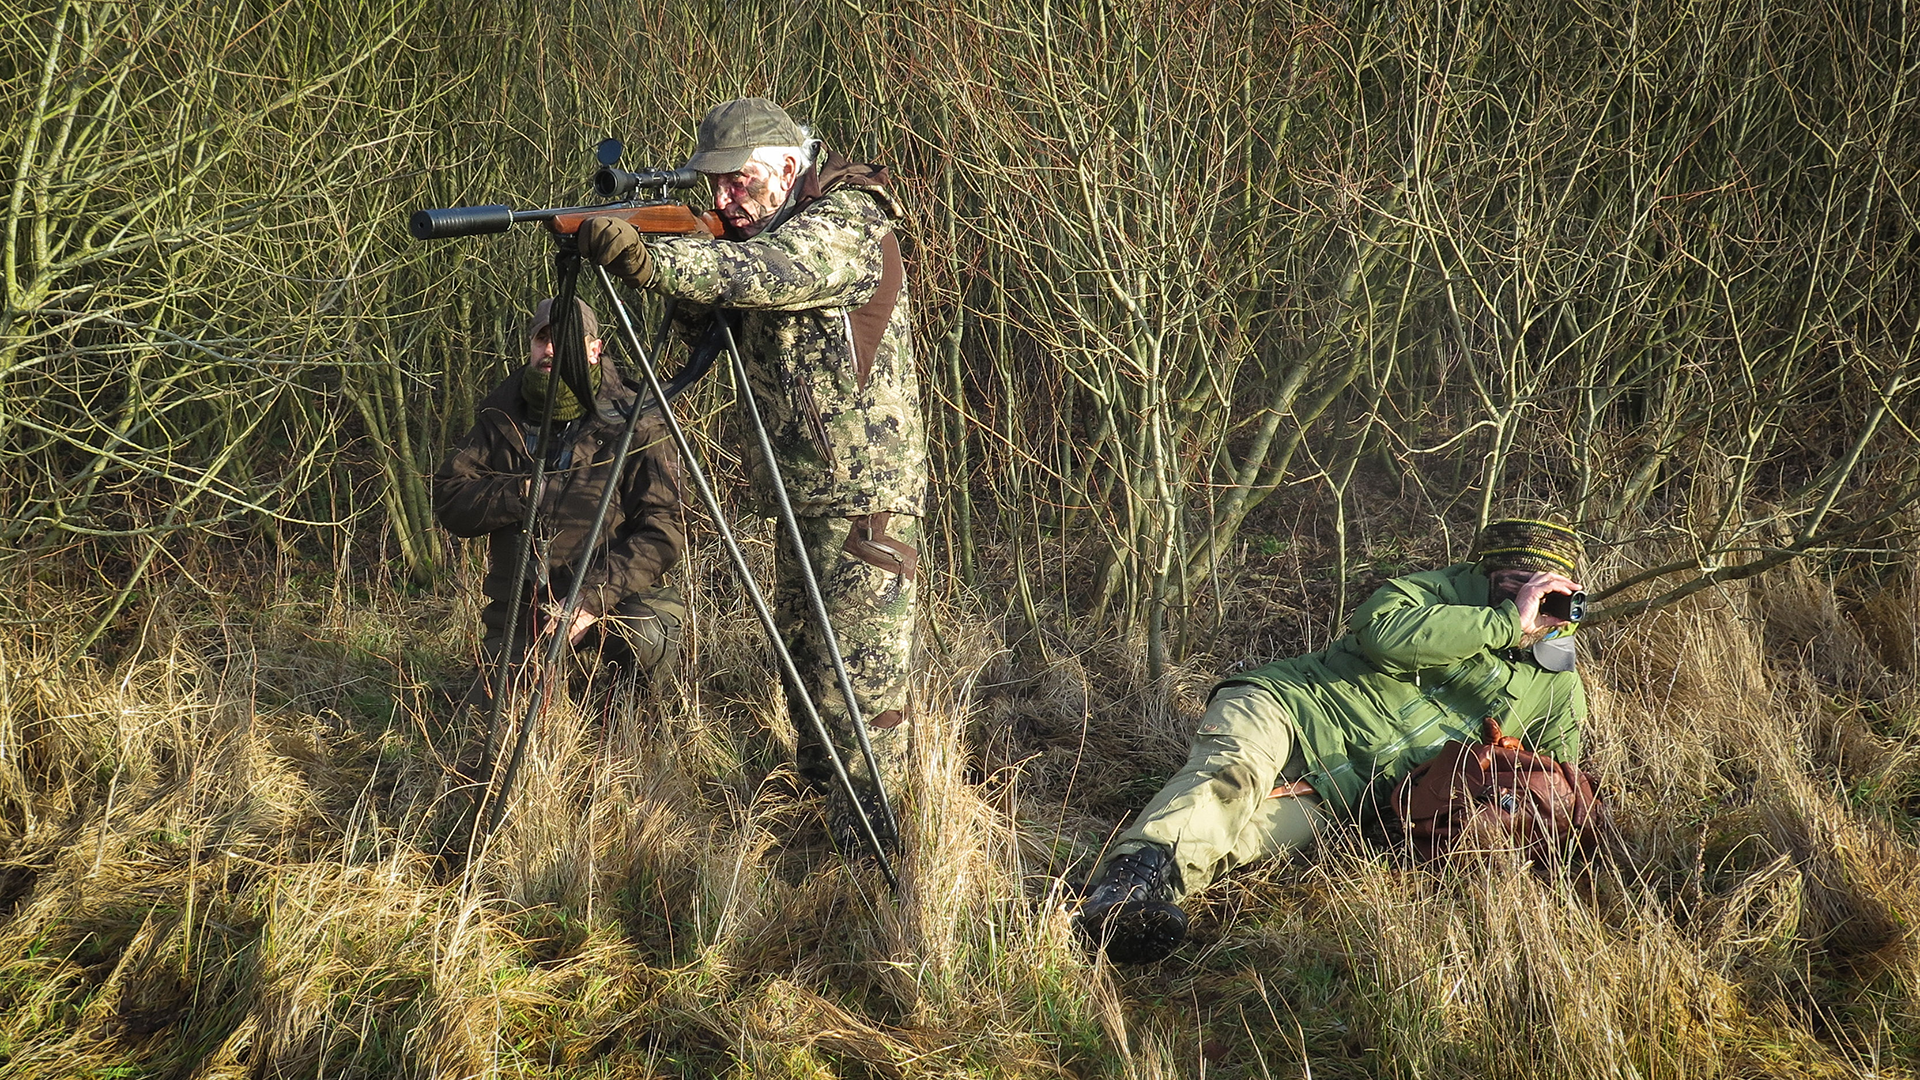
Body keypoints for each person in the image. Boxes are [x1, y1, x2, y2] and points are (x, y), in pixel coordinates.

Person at [577, 98, 925, 850]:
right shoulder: (753, 234)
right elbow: (714, 316)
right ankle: (822, 840)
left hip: (863, 499)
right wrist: (663, 259)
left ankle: (883, 859)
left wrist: (655, 260)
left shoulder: (847, 222)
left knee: (859, 691)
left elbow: (766, 273)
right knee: (805, 670)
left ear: (789, 167)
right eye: (715, 186)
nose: (725, 199)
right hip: (803, 495)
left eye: (739, 182)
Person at [1077, 517, 1589, 964]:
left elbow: (1554, 781)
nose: (1533, 598)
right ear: (1485, 575)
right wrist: (1505, 621)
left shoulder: (1557, 684)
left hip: (1343, 785)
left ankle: (1126, 911)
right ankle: (1124, 889)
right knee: (1230, 781)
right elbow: (1385, 638)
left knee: (1246, 839)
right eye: (1517, 582)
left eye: (1548, 590)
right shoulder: (1433, 593)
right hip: (1291, 704)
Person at [433, 297, 687, 702]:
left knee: (647, 635)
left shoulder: (637, 421)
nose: (550, 349)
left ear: (594, 349)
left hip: (613, 596)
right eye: (542, 339)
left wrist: (591, 597)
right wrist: (520, 494)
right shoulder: (501, 413)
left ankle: (624, 716)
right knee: (497, 718)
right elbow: (450, 499)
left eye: (564, 339)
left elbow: (663, 531)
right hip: (522, 603)